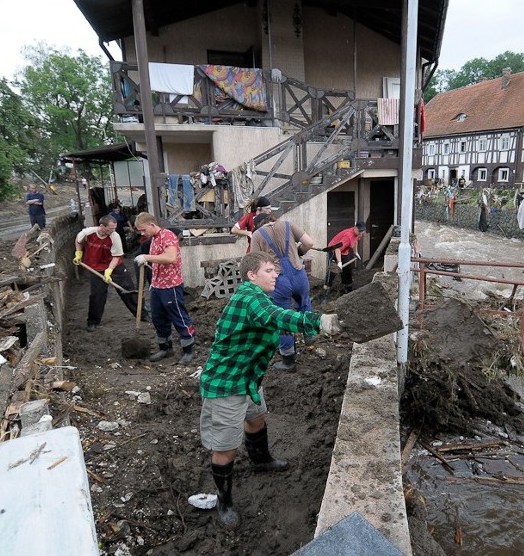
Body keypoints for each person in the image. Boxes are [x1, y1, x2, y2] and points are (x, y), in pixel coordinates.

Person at [199, 251, 342, 530]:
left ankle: (260, 460)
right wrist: (319, 322)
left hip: (248, 379)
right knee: (225, 446)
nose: (276, 274)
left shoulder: (257, 297)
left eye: (275, 270)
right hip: (227, 384)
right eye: (269, 270)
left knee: (256, 418)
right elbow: (276, 317)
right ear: (252, 275)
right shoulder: (249, 298)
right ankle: (223, 501)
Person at [250, 212, 315, 371]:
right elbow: (309, 243)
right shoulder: (287, 225)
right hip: (299, 275)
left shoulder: (257, 235)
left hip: (279, 280)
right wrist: (299, 252)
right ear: (272, 219)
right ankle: (310, 337)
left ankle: (288, 361)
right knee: (305, 304)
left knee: (283, 317)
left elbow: (254, 261)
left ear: (257, 225)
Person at [134, 213, 196, 364]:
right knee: (158, 318)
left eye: (143, 230)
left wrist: (146, 257)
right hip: (157, 285)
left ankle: (188, 349)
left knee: (178, 316)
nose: (143, 234)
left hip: (171, 285)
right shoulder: (154, 239)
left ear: (152, 225)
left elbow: (170, 258)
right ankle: (165, 348)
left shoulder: (167, 236)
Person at [73, 215, 143, 332]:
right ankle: (93, 322)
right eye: (110, 228)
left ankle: (142, 314)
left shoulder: (114, 237)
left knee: (127, 289)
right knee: (97, 295)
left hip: (115, 266)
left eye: (114, 228)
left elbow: (116, 257)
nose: (113, 231)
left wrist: (109, 271)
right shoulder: (88, 233)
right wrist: (78, 253)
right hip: (96, 267)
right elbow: (78, 240)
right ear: (102, 226)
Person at [322, 220, 365, 302]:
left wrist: (355, 252)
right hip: (333, 250)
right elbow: (337, 249)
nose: (360, 234)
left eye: (362, 232)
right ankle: (325, 295)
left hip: (344, 252)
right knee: (332, 272)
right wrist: (339, 263)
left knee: (347, 271)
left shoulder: (358, 234)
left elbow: (355, 241)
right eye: (359, 231)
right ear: (355, 228)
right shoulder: (348, 236)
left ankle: (348, 291)